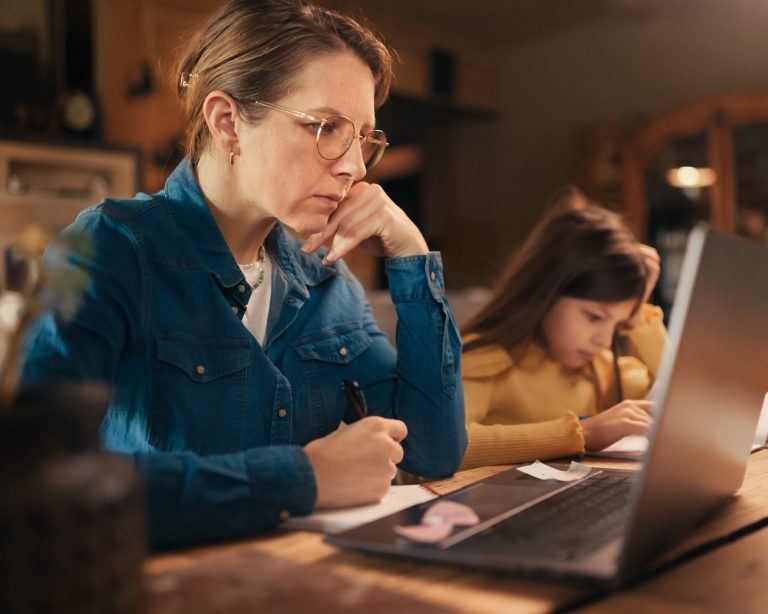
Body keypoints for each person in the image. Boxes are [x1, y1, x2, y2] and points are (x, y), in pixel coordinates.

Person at [20, 0, 466, 547]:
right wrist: (304, 478)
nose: (353, 167)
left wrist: (411, 253)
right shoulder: (108, 248)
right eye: (326, 127)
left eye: (365, 140)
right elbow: (35, 481)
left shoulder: (327, 278)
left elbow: (433, 450)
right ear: (227, 122)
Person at [459, 187, 666, 469]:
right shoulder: (490, 357)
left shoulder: (601, 367)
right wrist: (583, 433)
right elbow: (449, 446)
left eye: (617, 323)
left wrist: (638, 319)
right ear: (546, 291)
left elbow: (681, 397)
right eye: (594, 317)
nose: (604, 340)